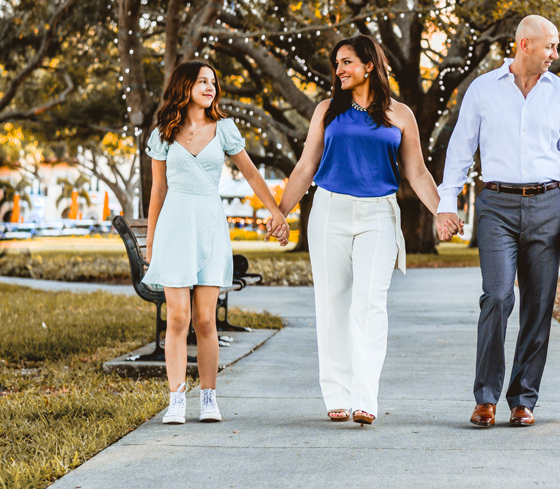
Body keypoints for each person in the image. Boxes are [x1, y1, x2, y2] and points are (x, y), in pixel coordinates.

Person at [278, 35, 442, 426]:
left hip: (379, 216)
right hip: (329, 211)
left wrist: (442, 212)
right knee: (332, 304)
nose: (339, 70)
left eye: (346, 62)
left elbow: (416, 172)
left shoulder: (400, 114)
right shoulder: (326, 110)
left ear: (369, 64)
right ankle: (336, 393)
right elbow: (305, 167)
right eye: (337, 64)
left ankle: (365, 396)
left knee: (370, 304)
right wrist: (280, 211)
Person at [435, 15, 560, 428]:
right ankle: (485, 397)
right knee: (499, 297)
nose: (555, 54)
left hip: (547, 204)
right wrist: (446, 204)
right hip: (496, 205)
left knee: (538, 305)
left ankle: (523, 400)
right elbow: (460, 149)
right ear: (524, 44)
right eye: (550, 46)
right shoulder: (483, 89)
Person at [144, 60, 290, 425]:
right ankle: (176, 397)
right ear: (184, 86)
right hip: (175, 227)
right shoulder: (163, 132)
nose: (210, 87)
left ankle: (209, 397)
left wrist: (276, 211)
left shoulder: (224, 129)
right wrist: (150, 242)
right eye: (202, 81)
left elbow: (252, 173)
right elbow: (158, 190)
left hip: (209, 227)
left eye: (213, 81)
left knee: (206, 320)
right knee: (178, 318)